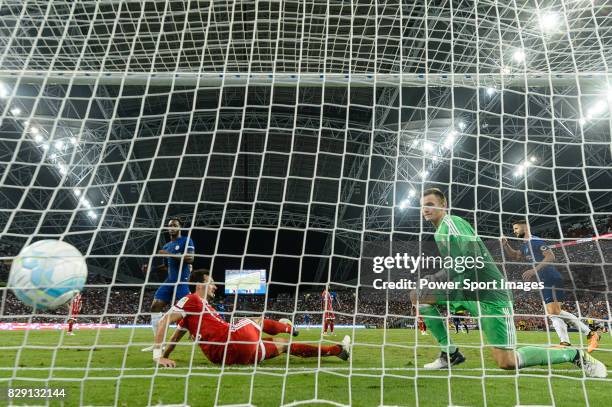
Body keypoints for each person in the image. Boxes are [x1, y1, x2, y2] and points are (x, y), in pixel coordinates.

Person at [410, 188, 605, 377]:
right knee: (419, 296)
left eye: (430, 204)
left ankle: (574, 354)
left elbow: (471, 257)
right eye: (422, 206)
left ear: (443, 205)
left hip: (490, 295)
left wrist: (436, 278)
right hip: (467, 291)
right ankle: (450, 354)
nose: (425, 209)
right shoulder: (438, 233)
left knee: (507, 361)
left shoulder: (451, 223)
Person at [153, 269, 351, 367]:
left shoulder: (200, 310)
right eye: (211, 282)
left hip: (225, 357)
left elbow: (176, 337)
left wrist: (167, 355)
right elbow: (164, 321)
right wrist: (158, 356)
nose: (215, 286)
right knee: (256, 319)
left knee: (282, 345)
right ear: (200, 284)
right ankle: (288, 327)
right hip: (229, 341)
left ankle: (337, 350)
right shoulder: (191, 299)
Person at [502, 219, 600, 352]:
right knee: (553, 314)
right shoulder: (524, 245)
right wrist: (505, 245)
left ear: (525, 227)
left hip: (552, 278)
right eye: (514, 229)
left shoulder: (535, 241)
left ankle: (591, 334)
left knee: (554, 312)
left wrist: (534, 270)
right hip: (544, 281)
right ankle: (565, 342)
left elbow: (550, 256)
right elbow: (515, 256)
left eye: (516, 228)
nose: (514, 232)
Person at [142, 218, 195, 352]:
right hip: (170, 280)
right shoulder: (166, 246)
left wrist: (169, 254)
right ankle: (159, 343)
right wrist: (151, 269)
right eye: (170, 225)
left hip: (181, 280)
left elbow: (190, 258)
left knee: (191, 309)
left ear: (180, 227)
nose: (172, 227)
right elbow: (167, 265)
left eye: (175, 225)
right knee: (155, 307)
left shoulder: (186, 241)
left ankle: (201, 331)